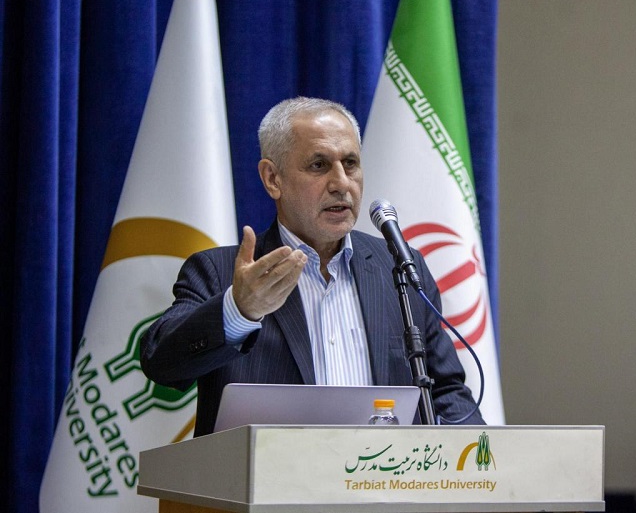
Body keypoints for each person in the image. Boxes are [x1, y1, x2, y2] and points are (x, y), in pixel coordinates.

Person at [140, 97, 483, 436]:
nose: (341, 183)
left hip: (383, 470)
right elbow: (161, 365)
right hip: (266, 472)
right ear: (273, 179)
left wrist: (481, 457)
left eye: (350, 163)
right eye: (319, 165)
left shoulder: (399, 267)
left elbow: (445, 392)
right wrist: (238, 310)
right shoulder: (219, 271)